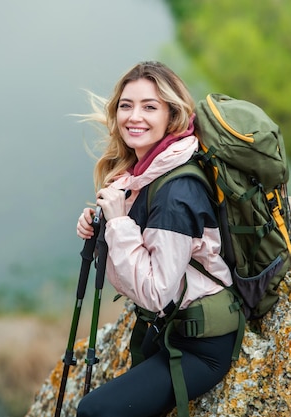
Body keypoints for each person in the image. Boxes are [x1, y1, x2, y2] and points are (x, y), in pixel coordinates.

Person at [75, 61, 240, 417]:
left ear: (172, 115)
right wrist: (101, 225)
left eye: (150, 107)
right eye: (126, 105)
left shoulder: (176, 192)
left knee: (93, 412)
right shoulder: (147, 170)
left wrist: (118, 224)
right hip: (171, 327)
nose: (134, 117)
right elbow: (144, 241)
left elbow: (156, 292)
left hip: (201, 344)